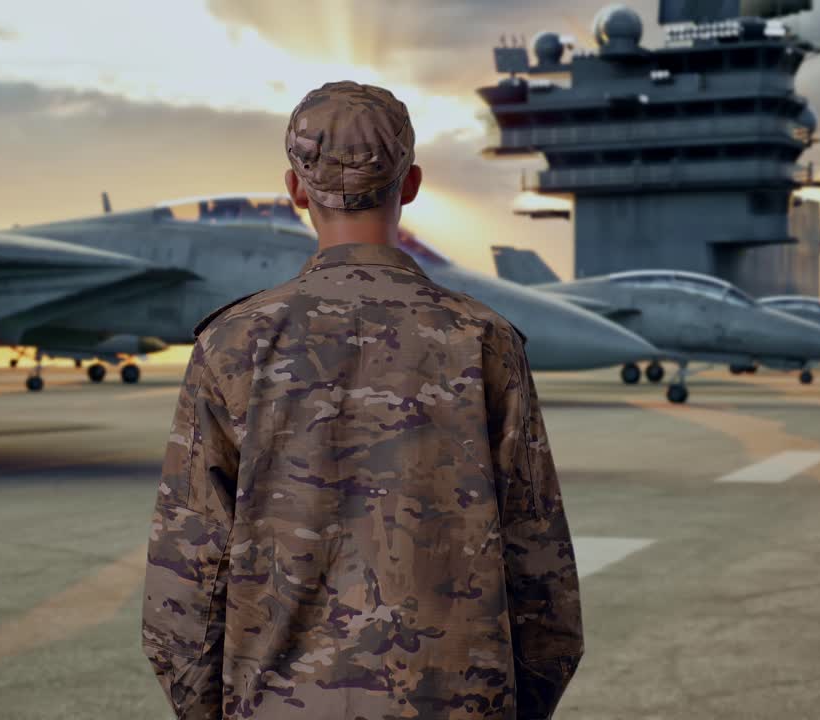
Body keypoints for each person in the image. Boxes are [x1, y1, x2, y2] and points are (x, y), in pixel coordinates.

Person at [141, 80, 583, 719]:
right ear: (411, 185)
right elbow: (544, 587)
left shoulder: (233, 344)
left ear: (296, 190)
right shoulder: (484, 341)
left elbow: (185, 589)